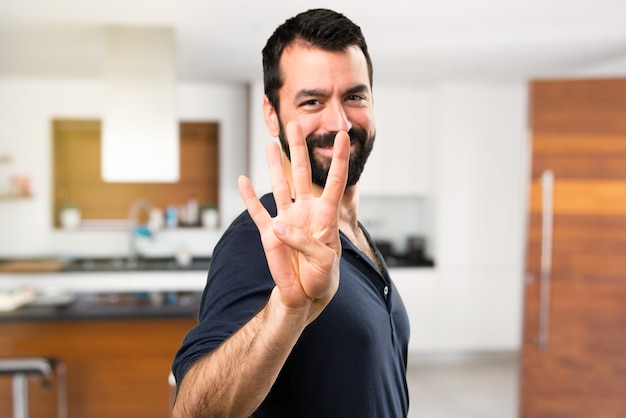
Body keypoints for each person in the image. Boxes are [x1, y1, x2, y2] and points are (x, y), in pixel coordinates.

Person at [172, 8, 410, 417]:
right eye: (312, 101)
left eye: (354, 96)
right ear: (272, 113)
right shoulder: (263, 240)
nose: (339, 122)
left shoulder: (354, 232)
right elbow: (193, 412)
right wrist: (288, 311)